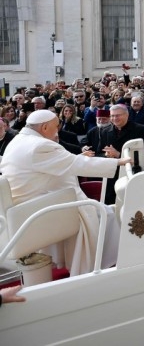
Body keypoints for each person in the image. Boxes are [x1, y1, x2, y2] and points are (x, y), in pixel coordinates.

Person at [0, 110, 130, 276]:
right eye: (56, 127)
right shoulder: (39, 145)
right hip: (38, 208)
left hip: (27, 205)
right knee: (103, 213)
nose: (57, 131)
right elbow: (76, 163)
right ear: (45, 127)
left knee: (101, 210)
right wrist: (118, 161)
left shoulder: (18, 140)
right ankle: (104, 265)